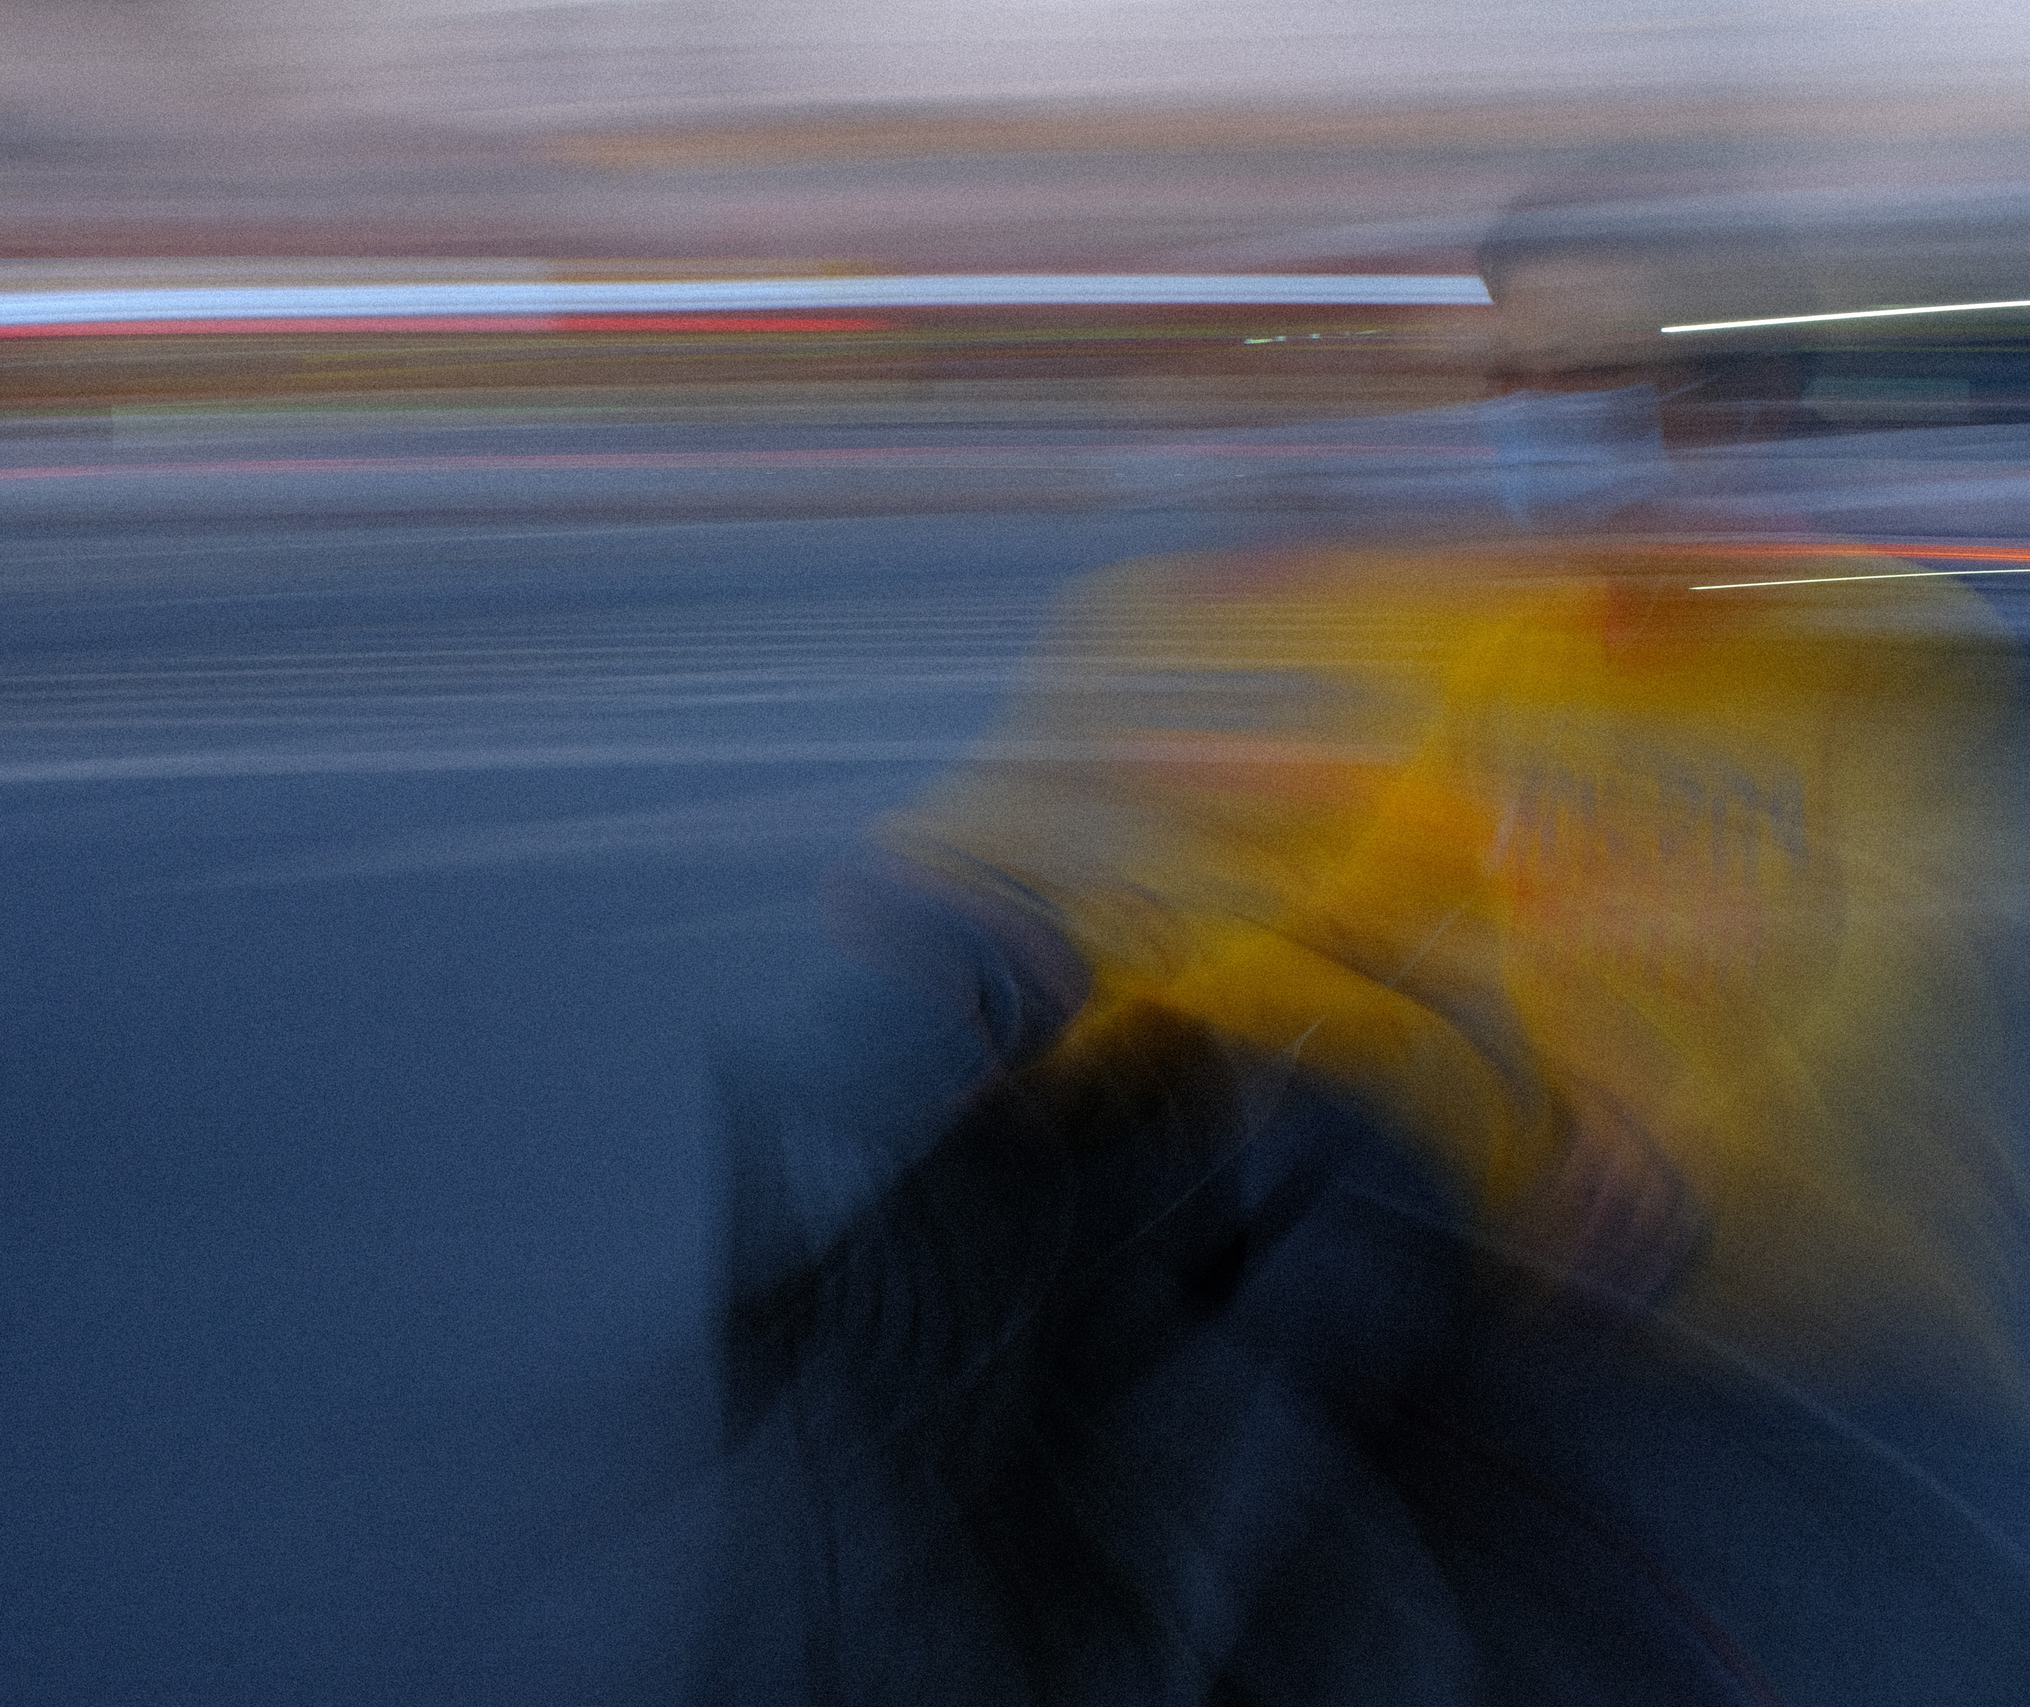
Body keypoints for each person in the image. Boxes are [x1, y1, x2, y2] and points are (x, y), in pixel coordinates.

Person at [699, 206, 2030, 1706]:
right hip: (1536, 1248)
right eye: (1516, 378)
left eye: (1598, 372)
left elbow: (1900, 959)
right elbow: (1370, 909)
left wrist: (1678, 1135)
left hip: (1790, 1308)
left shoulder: (1881, 642)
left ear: (1741, 403)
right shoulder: (1523, 645)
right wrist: (1096, 1006)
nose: (1552, 420)